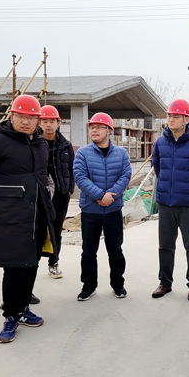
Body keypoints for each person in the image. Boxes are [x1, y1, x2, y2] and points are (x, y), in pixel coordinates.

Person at [0, 94, 56, 343]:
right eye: (21, 116)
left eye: (31, 118)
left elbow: (42, 176)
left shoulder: (40, 144)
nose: (26, 122)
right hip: (10, 215)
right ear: (12, 116)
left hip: (37, 214)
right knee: (14, 266)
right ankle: (10, 316)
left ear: (38, 120)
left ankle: (23, 308)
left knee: (32, 262)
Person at [151, 99, 189, 301]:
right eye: (169, 116)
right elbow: (158, 167)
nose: (171, 119)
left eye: (176, 116)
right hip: (165, 203)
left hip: (188, 204)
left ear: (186, 118)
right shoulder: (160, 142)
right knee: (165, 245)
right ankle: (165, 282)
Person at [73, 112, 131, 301]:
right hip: (91, 211)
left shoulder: (121, 153)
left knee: (115, 251)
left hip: (113, 210)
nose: (94, 130)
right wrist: (100, 195)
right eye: (92, 127)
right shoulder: (83, 153)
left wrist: (111, 195)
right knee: (89, 252)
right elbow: (80, 177)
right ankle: (88, 286)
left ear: (109, 130)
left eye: (99, 127)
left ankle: (118, 285)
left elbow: (125, 175)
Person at [39, 105, 75, 279]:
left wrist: (69, 190)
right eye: (45, 121)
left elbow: (72, 169)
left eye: (52, 121)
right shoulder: (34, 143)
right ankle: (32, 262)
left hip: (61, 194)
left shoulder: (66, 146)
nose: (48, 125)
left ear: (58, 123)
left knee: (56, 229)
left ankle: (53, 262)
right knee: (38, 228)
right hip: (40, 195)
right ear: (39, 123)